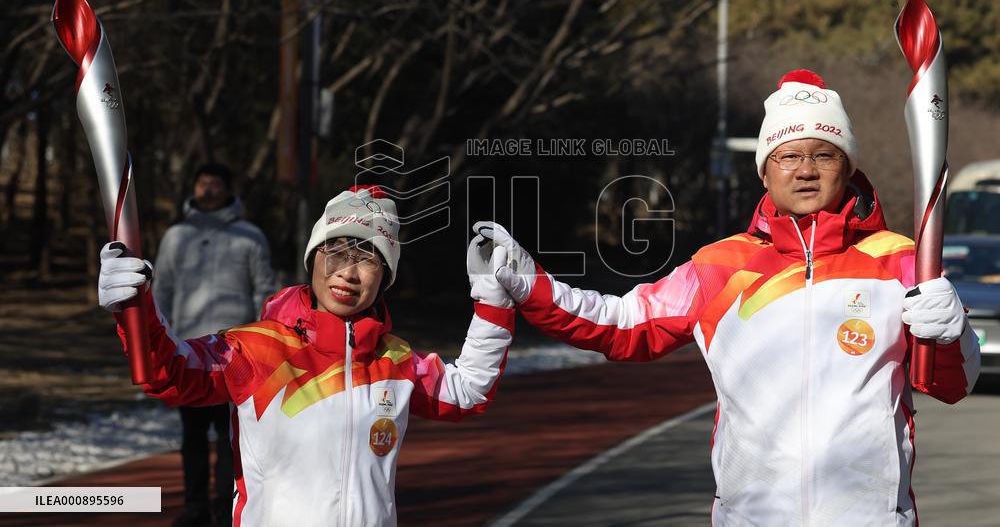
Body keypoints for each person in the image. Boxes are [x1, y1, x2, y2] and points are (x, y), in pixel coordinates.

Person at [475, 69, 981, 526]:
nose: (805, 169)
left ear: (847, 166)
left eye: (823, 154)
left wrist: (953, 333)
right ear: (765, 170)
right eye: (788, 156)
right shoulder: (720, 268)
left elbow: (955, 383)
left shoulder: (901, 261)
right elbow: (619, 324)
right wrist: (528, 281)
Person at [98, 184, 514, 527]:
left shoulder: (396, 361)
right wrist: (135, 308)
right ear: (314, 256)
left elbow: (470, 391)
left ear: (384, 277)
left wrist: (493, 301)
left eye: (368, 259)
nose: (348, 273)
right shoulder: (256, 348)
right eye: (337, 252)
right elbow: (165, 371)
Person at [152, 163, 276, 527]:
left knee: (229, 436)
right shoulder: (176, 236)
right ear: (194, 187)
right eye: (202, 183)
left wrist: (264, 343)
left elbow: (264, 291)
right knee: (192, 435)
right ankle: (194, 508)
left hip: (236, 354)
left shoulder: (250, 236)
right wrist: (161, 340)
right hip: (187, 351)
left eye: (215, 184)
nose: (208, 190)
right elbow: (162, 291)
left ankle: (226, 508)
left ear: (228, 190)